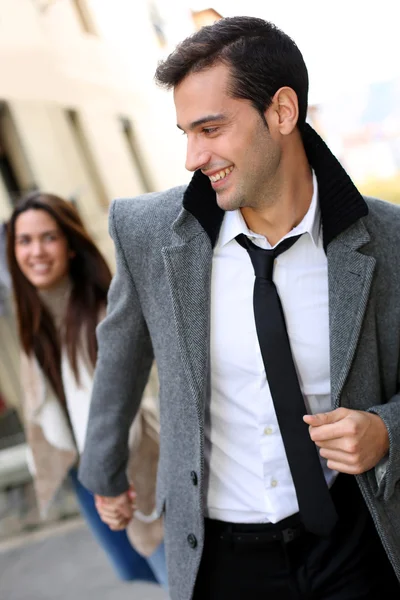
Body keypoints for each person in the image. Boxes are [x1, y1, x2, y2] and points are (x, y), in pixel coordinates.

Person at [79, 16, 400, 600]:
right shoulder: (149, 233)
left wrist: (386, 432)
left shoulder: (388, 239)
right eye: (185, 132)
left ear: (281, 112)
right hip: (220, 561)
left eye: (210, 128)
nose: (191, 156)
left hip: (356, 545)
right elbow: (120, 353)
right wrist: (104, 472)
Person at [6, 192, 167, 587]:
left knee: (175, 574)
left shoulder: (102, 311)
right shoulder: (34, 317)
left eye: (49, 238)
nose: (36, 252)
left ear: (71, 246)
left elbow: (123, 404)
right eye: (24, 241)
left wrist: (112, 477)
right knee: (144, 570)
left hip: (128, 463)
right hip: (85, 472)